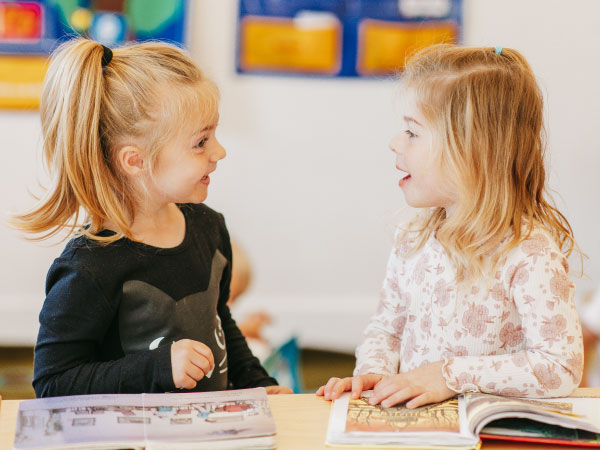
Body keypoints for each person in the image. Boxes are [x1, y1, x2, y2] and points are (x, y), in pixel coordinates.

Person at [12, 38, 291, 397]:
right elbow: (53, 383)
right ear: (135, 161)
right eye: (201, 141)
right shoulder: (89, 267)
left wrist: (258, 383)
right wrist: (158, 365)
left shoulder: (210, 228)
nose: (219, 151)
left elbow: (219, 321)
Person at [317, 44, 584, 409]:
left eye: (412, 132)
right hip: (421, 429)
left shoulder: (529, 253)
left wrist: (449, 374)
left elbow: (560, 368)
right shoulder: (413, 236)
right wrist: (377, 371)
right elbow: (386, 329)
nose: (395, 142)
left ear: (473, 150)